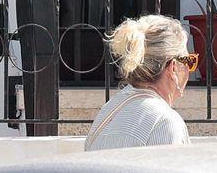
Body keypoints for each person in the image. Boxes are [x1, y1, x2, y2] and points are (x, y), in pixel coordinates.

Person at [83, 14, 196, 150]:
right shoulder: (166, 122)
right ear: (173, 67)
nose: (189, 69)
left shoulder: (109, 109)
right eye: (189, 61)